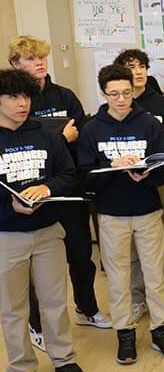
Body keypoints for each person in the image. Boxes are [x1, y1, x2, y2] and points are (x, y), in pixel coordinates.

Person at [7, 36, 110, 349]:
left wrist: (65, 139)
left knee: (81, 255)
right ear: (15, 64)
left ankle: (87, 309)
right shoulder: (13, 101)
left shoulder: (64, 96)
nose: (39, 63)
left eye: (42, 58)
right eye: (30, 59)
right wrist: (59, 136)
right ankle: (37, 325)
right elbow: (22, 142)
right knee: (36, 267)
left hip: (67, 188)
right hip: (30, 197)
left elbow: (81, 136)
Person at [78, 65, 164, 365]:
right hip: (111, 214)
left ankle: (160, 330)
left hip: (147, 210)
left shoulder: (149, 124)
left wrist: (145, 174)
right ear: (103, 94)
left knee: (155, 274)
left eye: (126, 93)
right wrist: (113, 168)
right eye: (114, 94)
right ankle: (125, 333)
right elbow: (85, 176)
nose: (122, 99)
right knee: (119, 277)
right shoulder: (92, 129)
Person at [0, 68, 84, 372]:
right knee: (13, 307)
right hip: (7, 235)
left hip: (48, 231)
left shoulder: (47, 135)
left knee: (54, 301)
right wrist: (12, 206)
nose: (22, 104)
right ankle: (21, 368)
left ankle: (63, 358)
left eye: (25, 97)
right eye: (12, 97)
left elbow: (68, 174)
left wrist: (46, 187)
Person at [114, 48, 164, 323]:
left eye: (141, 66)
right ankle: (137, 297)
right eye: (130, 67)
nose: (137, 72)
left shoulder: (163, 104)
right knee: (134, 248)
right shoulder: (117, 110)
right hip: (127, 188)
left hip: (159, 181)